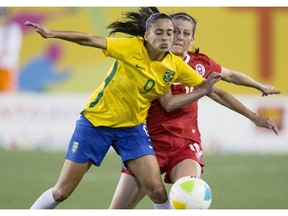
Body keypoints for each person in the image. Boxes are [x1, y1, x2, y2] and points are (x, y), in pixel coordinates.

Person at [25, 8, 222, 209]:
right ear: (146, 35)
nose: (166, 38)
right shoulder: (131, 47)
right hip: (95, 123)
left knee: (156, 189)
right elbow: (90, 39)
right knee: (62, 192)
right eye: (159, 32)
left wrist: (249, 114)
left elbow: (211, 89)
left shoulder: (175, 66)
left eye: (169, 33)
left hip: (132, 129)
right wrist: (51, 33)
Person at [109, 9, 281, 209]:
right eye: (175, 31)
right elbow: (168, 103)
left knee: (190, 198)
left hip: (185, 144)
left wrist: (258, 87)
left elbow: (231, 76)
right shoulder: (151, 61)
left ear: (192, 38)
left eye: (186, 33)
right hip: (147, 143)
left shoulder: (200, 64)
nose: (180, 37)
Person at [0, 7, 22, 91]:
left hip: (7, 67)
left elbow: (11, 48)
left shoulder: (13, 29)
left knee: (5, 93)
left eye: (2, 15)